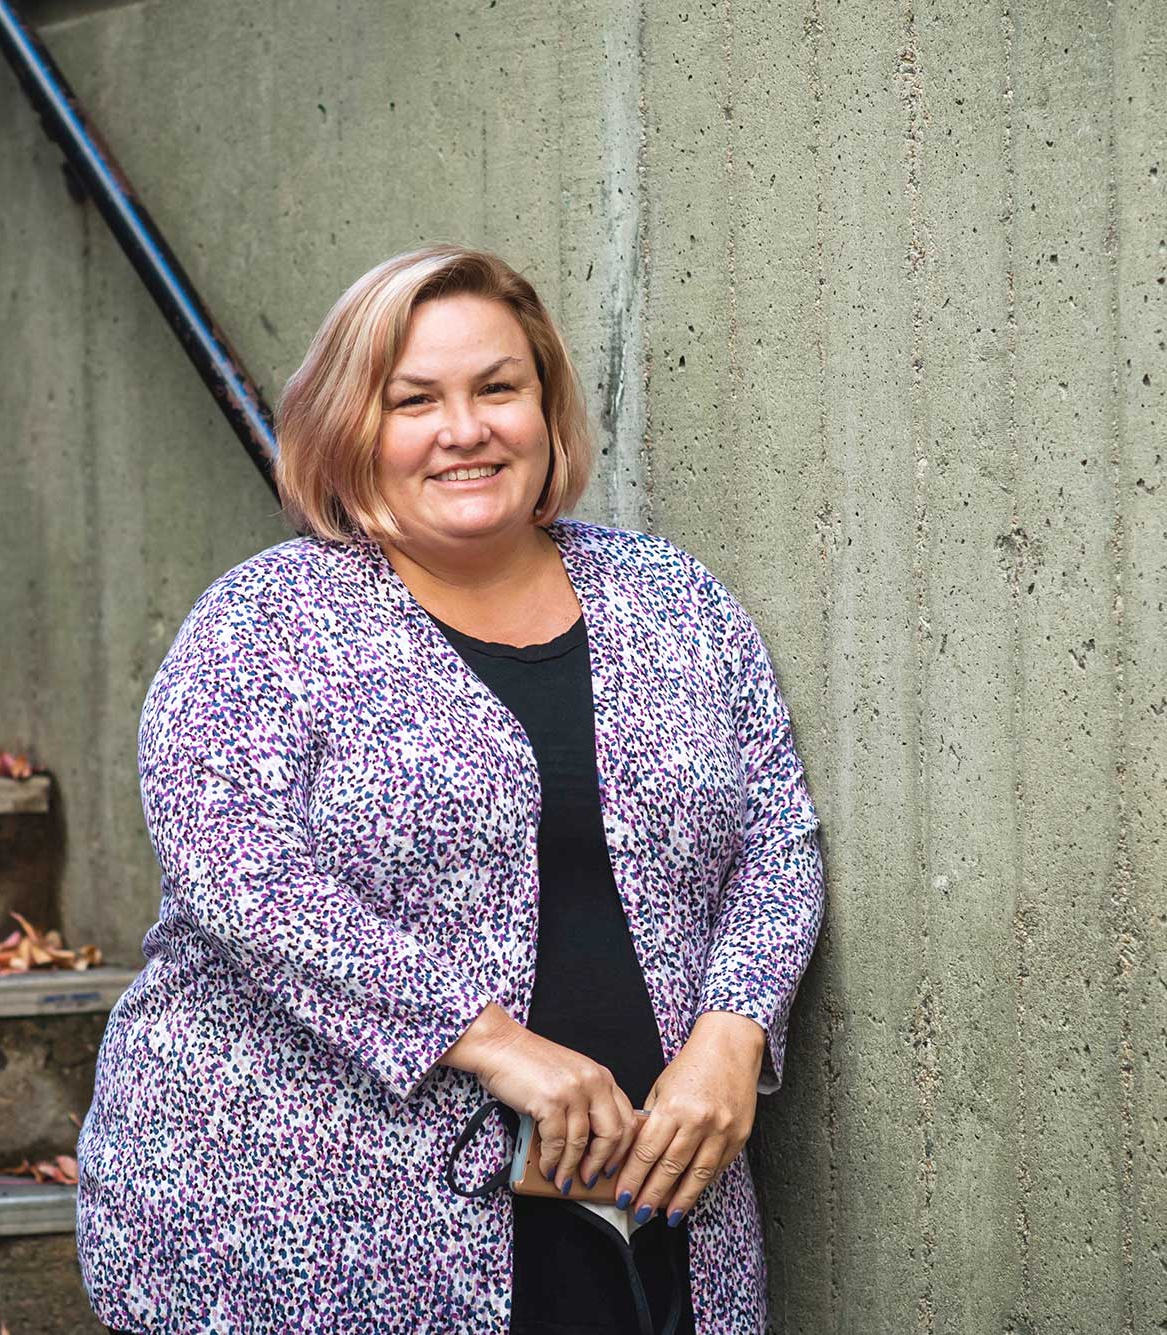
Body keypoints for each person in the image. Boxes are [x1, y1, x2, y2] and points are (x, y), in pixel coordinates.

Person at [75, 243, 826, 1334]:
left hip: (645, 1203)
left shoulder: (670, 597)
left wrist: (732, 1031)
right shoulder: (265, 623)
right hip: (313, 1217)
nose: (463, 429)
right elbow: (240, 876)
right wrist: (491, 1044)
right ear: (349, 425)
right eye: (412, 399)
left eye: (496, 389)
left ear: (545, 405)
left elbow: (775, 834)